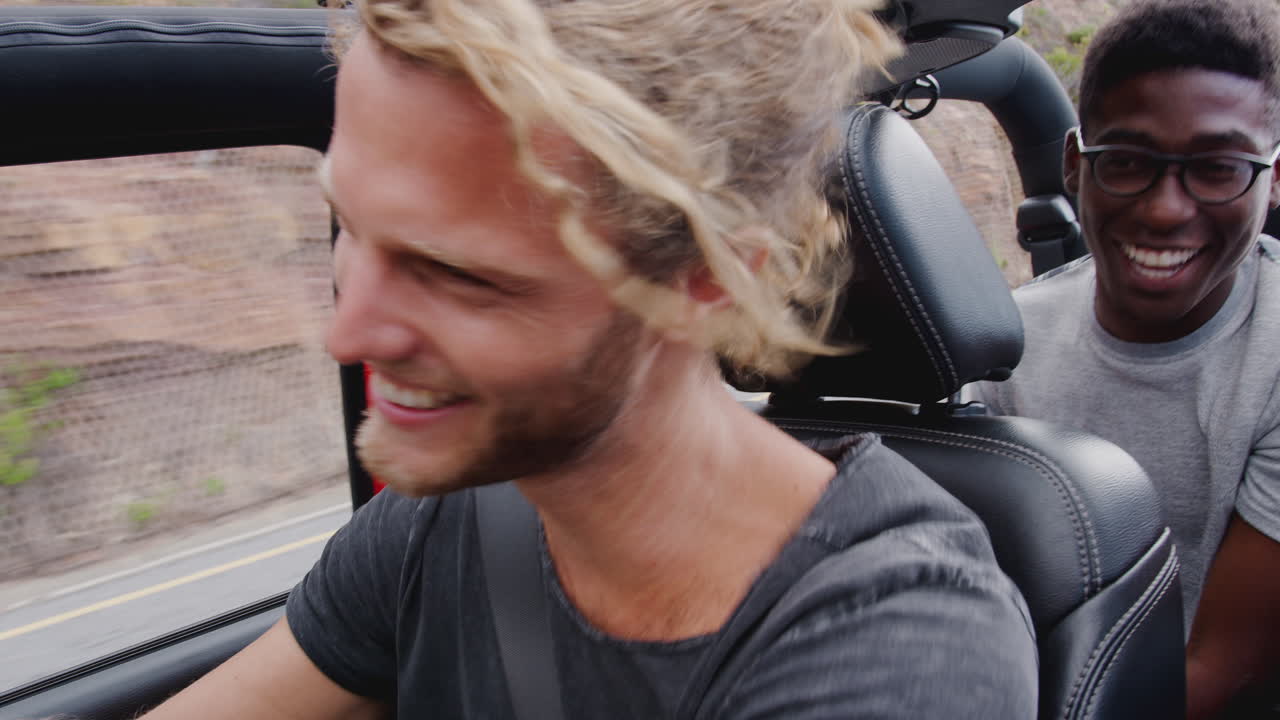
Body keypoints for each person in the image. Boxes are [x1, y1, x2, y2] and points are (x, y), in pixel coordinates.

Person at [141, 0, 1037, 717]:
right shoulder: (447, 516)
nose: (350, 335)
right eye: (353, 230)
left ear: (705, 278)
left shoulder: (900, 647)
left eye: (455, 274)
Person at [972, 0, 1280, 716]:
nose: (1166, 209)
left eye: (1218, 168)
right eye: (1129, 162)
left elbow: (1219, 663)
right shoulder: (1006, 343)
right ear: (1076, 167)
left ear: (1272, 181)